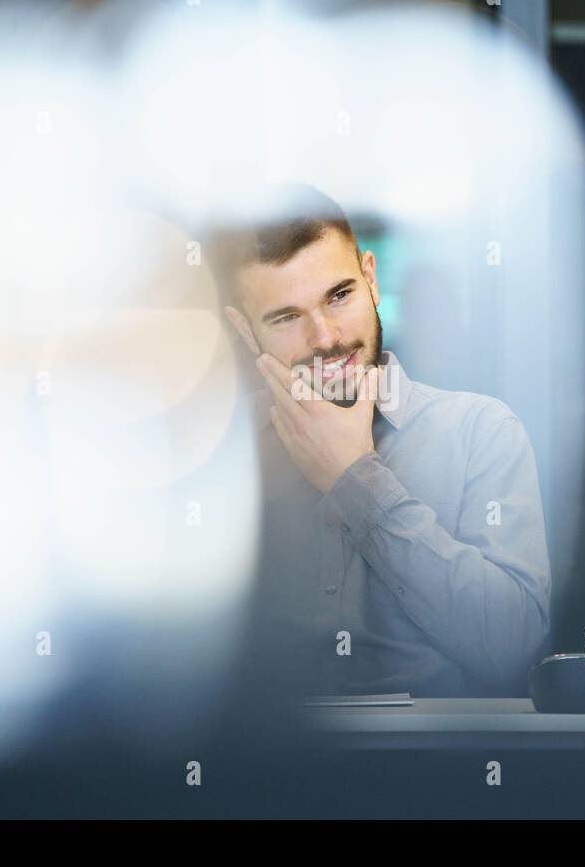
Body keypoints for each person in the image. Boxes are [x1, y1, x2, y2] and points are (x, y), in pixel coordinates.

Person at [209, 184, 550, 697]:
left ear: (370, 278)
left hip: (429, 768)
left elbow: (513, 647)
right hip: (257, 769)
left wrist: (356, 479)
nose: (325, 338)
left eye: (339, 295)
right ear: (243, 328)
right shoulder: (217, 459)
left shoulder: (480, 431)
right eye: (285, 317)